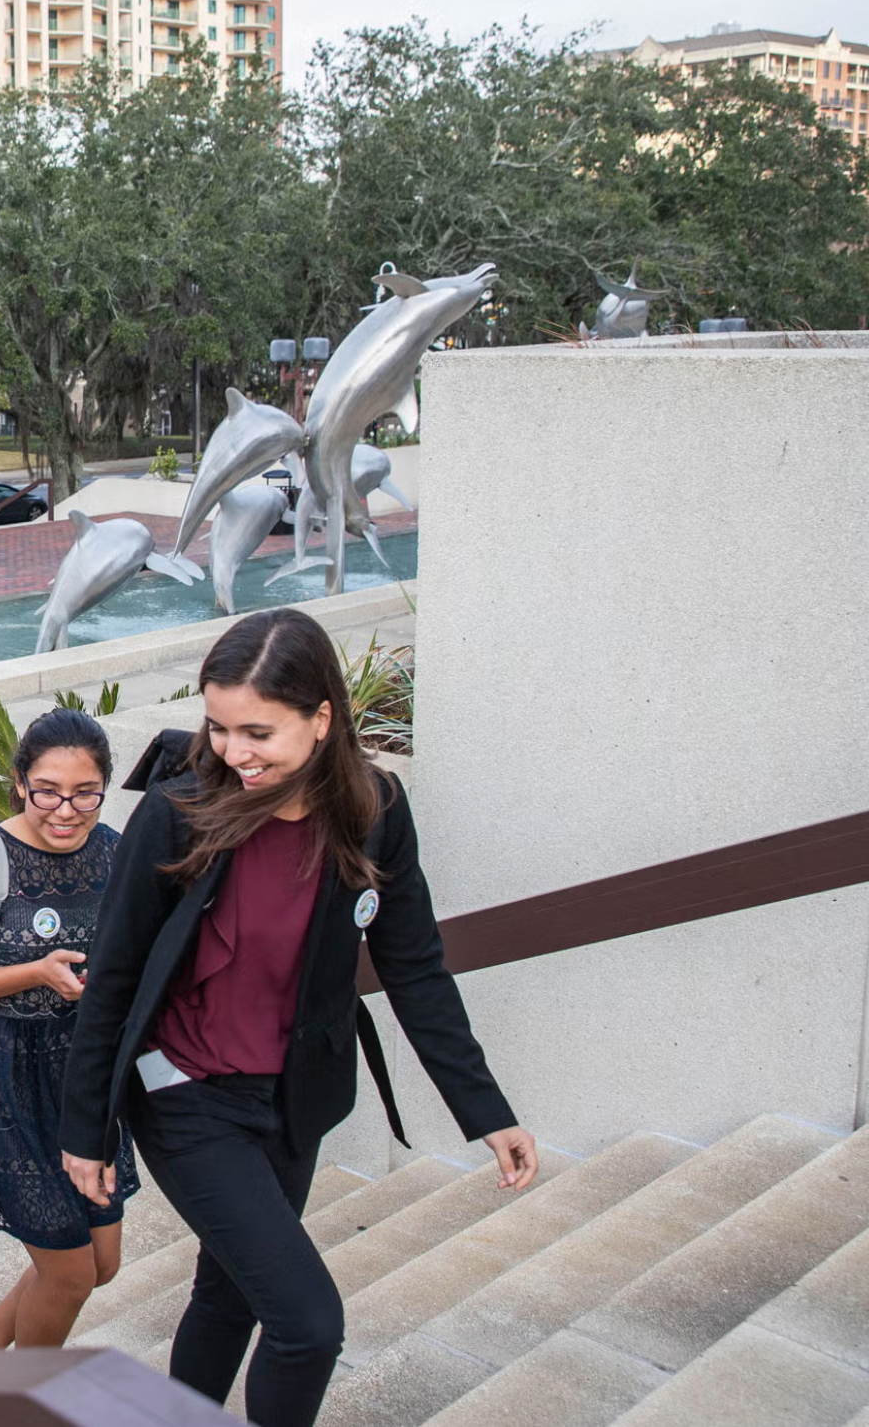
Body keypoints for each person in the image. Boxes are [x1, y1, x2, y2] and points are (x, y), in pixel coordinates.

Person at [60, 608, 539, 1427]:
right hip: (184, 1097)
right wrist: (84, 1130)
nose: (232, 752)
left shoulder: (375, 810)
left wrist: (484, 1109)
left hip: (291, 1105)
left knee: (230, 1294)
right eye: (217, 727)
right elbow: (113, 979)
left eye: (258, 732)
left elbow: (415, 967)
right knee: (309, 1326)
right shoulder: (177, 814)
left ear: (322, 720)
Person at [0, 709, 138, 1352]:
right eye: (47, 790)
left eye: (84, 793)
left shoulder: (115, 850)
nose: (65, 809)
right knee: (70, 1272)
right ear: (19, 782)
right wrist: (35, 973)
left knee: (100, 1264)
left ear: (105, 786)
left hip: (83, 1077)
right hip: (1, 1078)